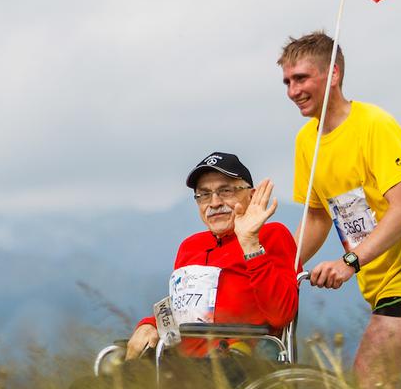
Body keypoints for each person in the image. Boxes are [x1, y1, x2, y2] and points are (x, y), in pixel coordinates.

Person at [279, 31, 401, 389]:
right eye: (287, 82)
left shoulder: (374, 125)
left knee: (369, 382)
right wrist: (281, 265)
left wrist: (349, 261)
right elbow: (319, 216)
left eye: (301, 78)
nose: (292, 91)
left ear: (333, 74)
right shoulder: (307, 142)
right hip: (379, 282)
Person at [125, 152, 299, 359]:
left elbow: (281, 315)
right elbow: (183, 310)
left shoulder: (272, 235)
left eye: (225, 191)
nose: (214, 203)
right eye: (204, 194)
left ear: (251, 196)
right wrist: (149, 325)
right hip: (180, 361)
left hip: (238, 358)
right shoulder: (190, 246)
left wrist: (250, 242)